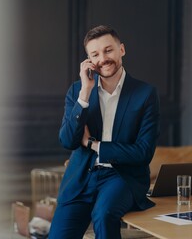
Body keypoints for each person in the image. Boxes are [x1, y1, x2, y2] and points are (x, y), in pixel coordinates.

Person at [49, 25, 160, 239]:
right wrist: (85, 92)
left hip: (121, 177)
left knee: (104, 214)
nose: (103, 58)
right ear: (88, 60)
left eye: (108, 50)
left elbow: (143, 152)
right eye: (95, 54)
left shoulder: (145, 94)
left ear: (122, 50)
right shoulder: (77, 90)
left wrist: (94, 144)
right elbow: (67, 141)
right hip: (81, 177)